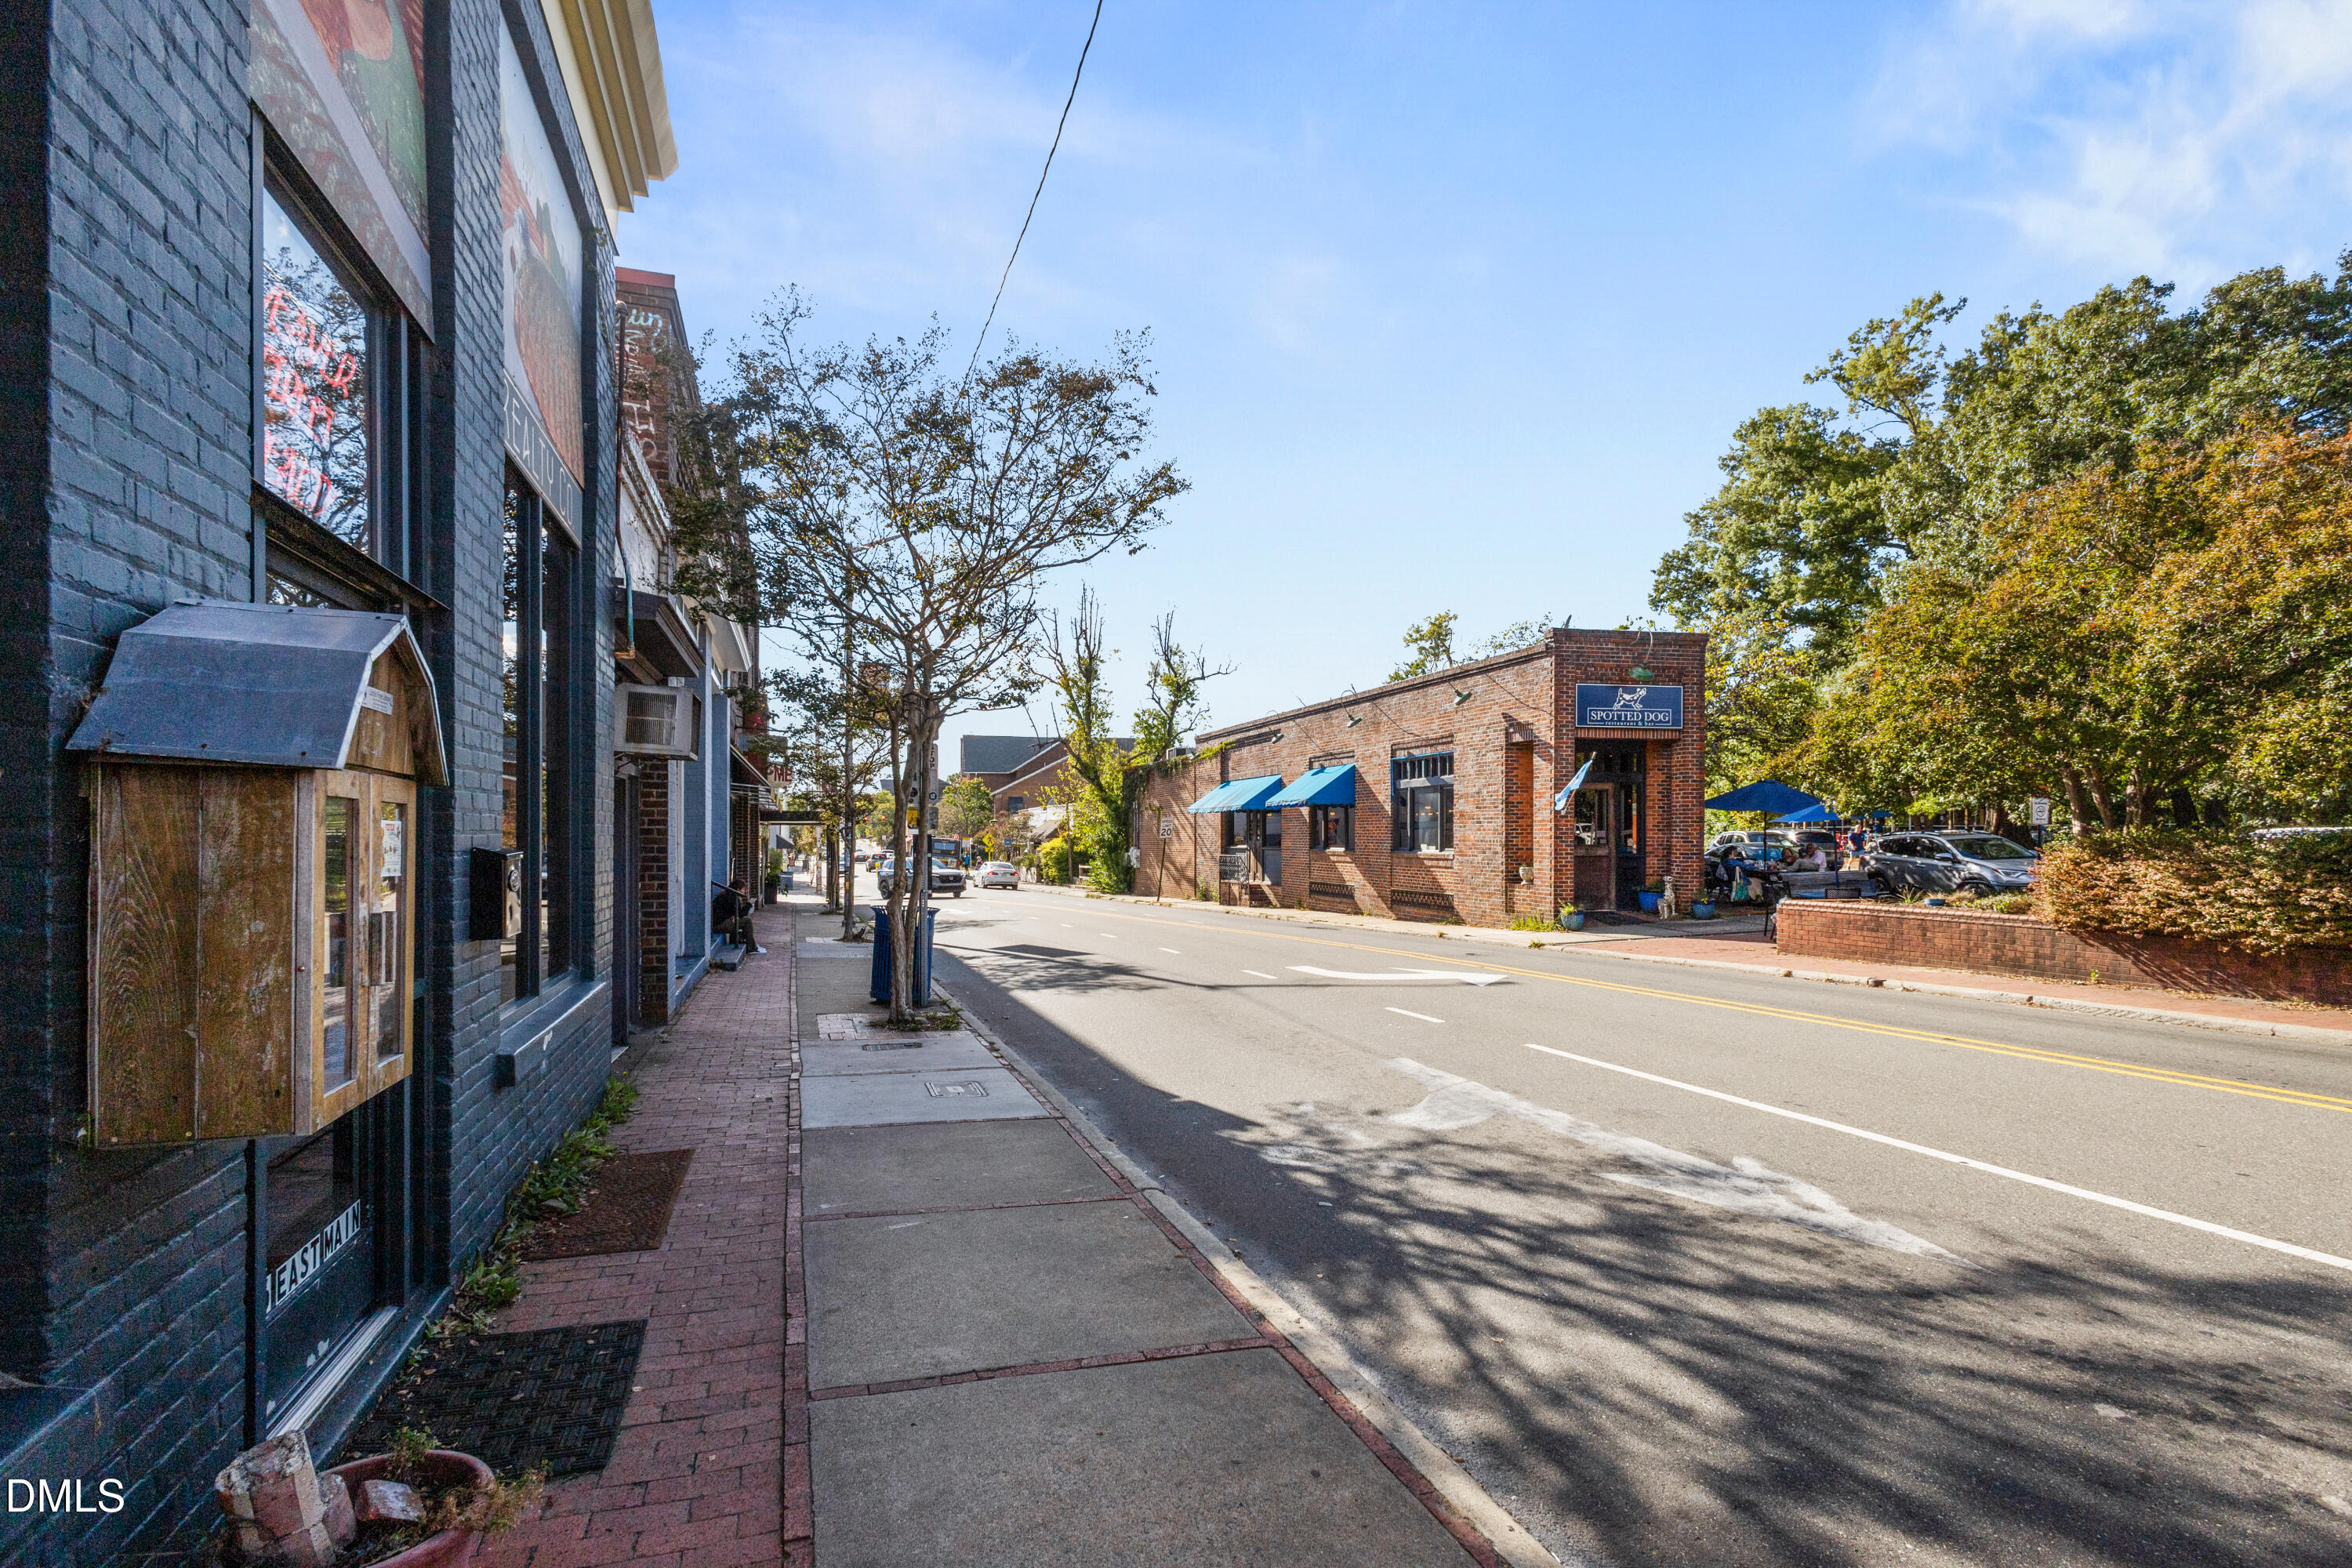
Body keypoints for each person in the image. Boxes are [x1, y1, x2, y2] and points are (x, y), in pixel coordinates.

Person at [713, 876, 764, 955]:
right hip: (721, 925)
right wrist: (749, 904)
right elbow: (741, 914)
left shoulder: (726, 894)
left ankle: (751, 945)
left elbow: (732, 912)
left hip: (719, 922)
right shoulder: (733, 897)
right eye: (743, 889)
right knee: (747, 921)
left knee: (741, 921)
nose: (744, 892)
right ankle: (751, 947)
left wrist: (733, 916)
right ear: (738, 889)